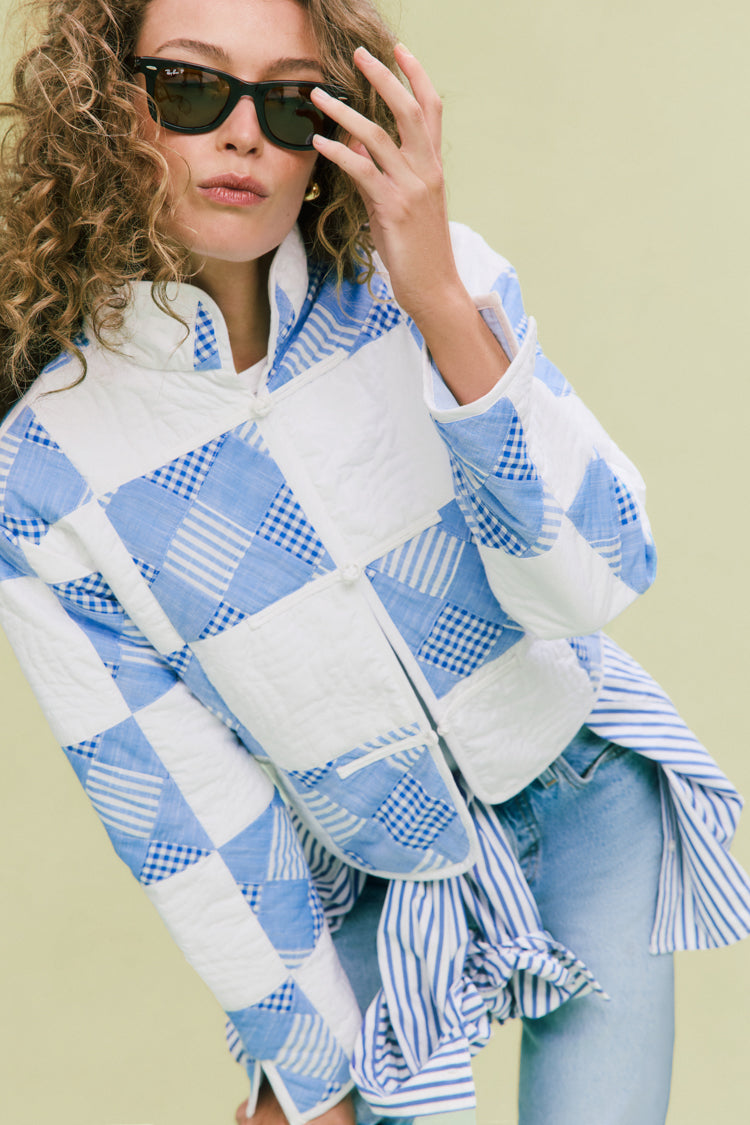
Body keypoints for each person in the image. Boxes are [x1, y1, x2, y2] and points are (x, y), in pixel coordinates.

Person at [0, 2, 748, 1124]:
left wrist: (441, 296)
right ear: (108, 105)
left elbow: (597, 577)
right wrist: (312, 1073)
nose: (244, 136)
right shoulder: (50, 465)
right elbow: (183, 814)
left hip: (593, 804)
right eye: (193, 88)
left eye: (290, 98)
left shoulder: (437, 286)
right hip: (372, 883)